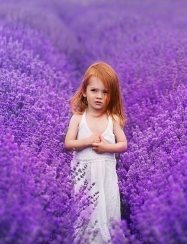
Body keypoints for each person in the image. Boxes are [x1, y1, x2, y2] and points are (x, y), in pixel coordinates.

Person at [64, 61, 127, 243]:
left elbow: (123, 144)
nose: (99, 96)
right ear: (84, 91)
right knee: (86, 212)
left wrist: (107, 147)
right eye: (94, 90)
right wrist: (86, 141)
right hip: (84, 176)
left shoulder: (113, 119)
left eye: (105, 92)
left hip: (106, 176)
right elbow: (69, 143)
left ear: (111, 95)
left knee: (107, 210)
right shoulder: (77, 119)